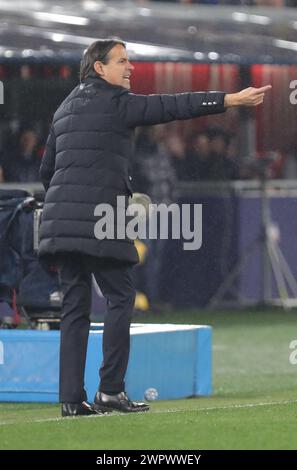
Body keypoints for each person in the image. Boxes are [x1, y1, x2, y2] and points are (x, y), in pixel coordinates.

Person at [38, 38, 271, 417]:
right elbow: (173, 106)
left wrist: (67, 205)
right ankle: (110, 391)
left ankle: (70, 400)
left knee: (74, 309)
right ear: (99, 68)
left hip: (60, 220)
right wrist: (228, 100)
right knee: (121, 297)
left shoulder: (63, 109)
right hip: (101, 218)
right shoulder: (117, 103)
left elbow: (46, 172)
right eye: (123, 61)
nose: (130, 67)